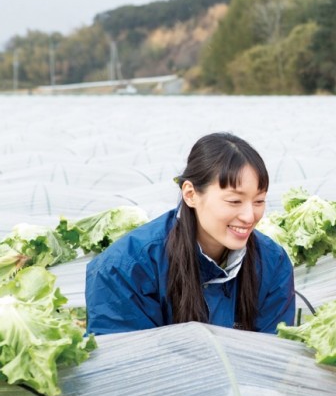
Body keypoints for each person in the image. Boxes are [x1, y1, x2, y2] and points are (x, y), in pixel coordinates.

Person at [86, 132, 295, 334]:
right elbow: (129, 363)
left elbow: (271, 356)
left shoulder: (272, 262)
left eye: (259, 201)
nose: (249, 217)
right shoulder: (126, 267)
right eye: (234, 201)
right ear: (190, 194)